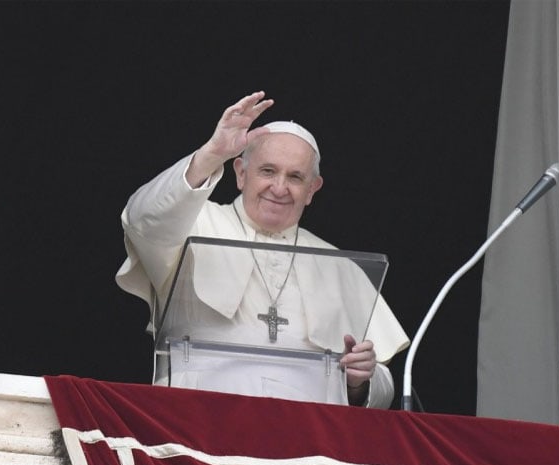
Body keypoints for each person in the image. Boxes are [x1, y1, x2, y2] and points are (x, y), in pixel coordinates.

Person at [116, 91, 409, 408]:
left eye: (295, 177)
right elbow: (142, 219)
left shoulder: (342, 267)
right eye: (268, 171)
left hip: (309, 440)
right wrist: (211, 154)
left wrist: (358, 384)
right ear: (241, 173)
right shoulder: (193, 223)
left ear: (312, 190)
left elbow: (379, 384)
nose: (280, 188)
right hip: (199, 423)